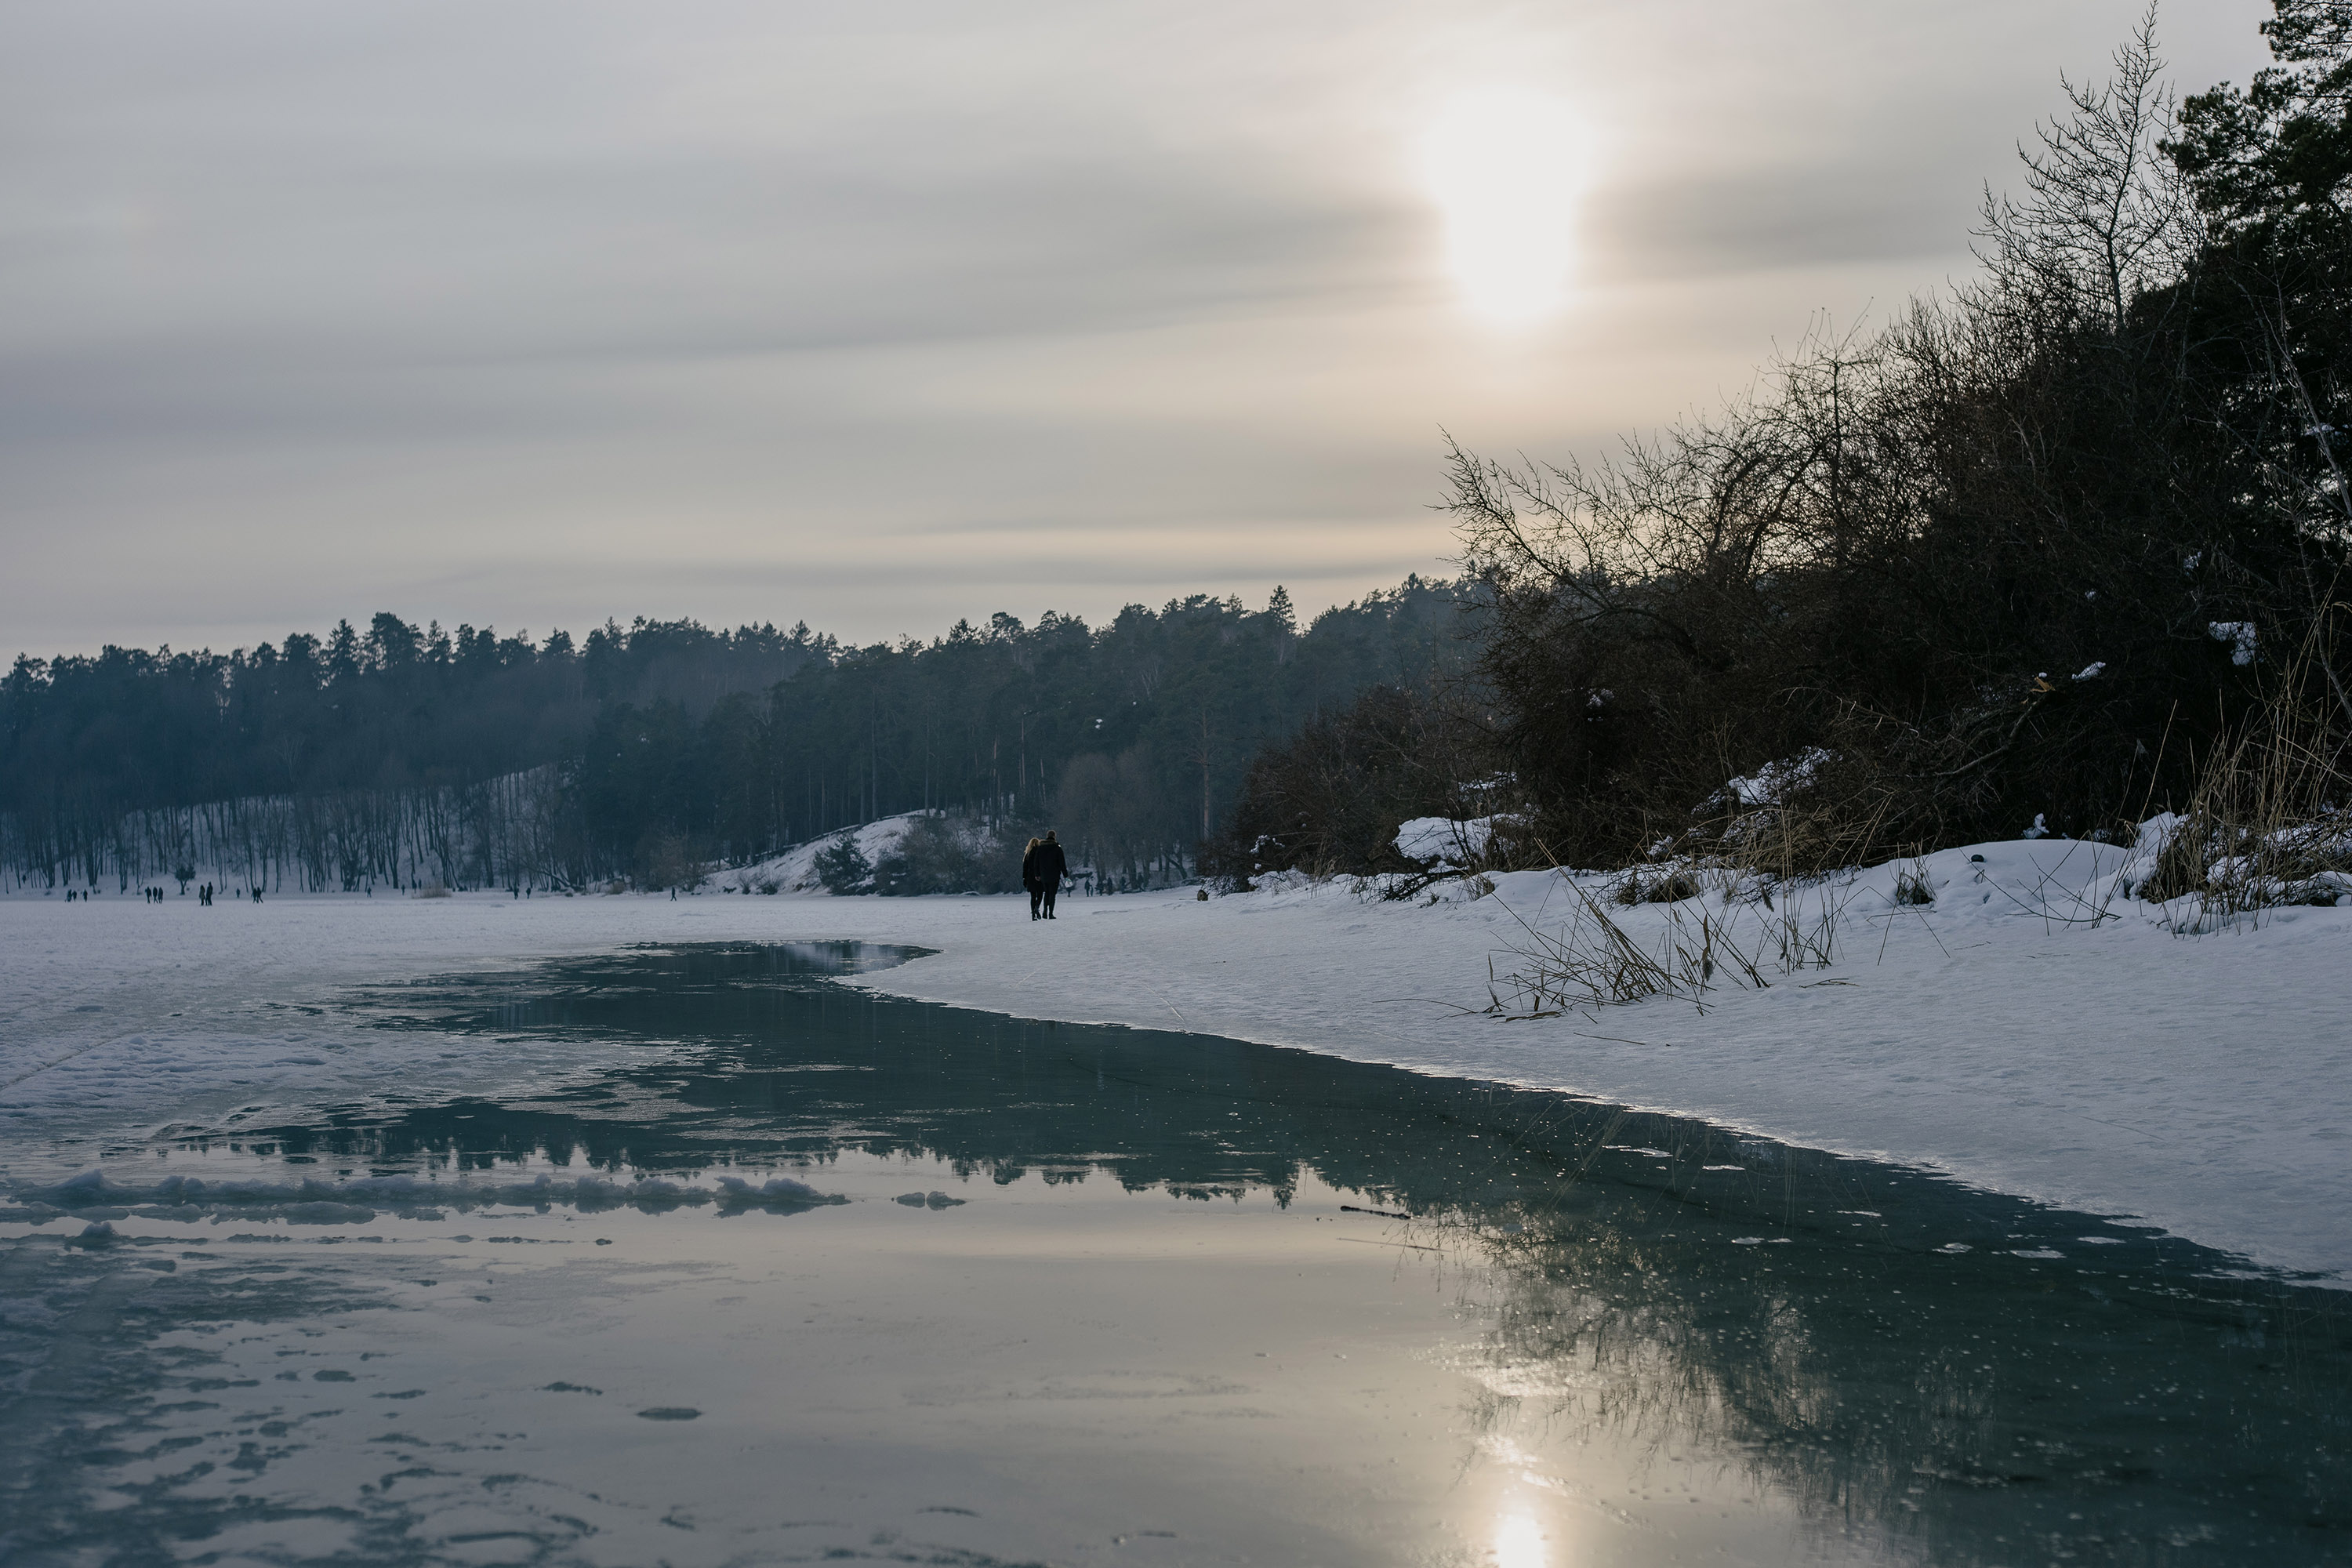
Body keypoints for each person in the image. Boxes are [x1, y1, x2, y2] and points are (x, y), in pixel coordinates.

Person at [1033, 829, 1067, 919]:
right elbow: (1062, 863)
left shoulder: (1040, 848)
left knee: (1047, 893)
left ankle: (1045, 911)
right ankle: (1050, 913)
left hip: (1044, 874)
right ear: (1054, 836)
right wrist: (1066, 875)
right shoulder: (1057, 848)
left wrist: (1037, 874)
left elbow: (1036, 862)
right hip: (1055, 874)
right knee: (1052, 894)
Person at [1020, 837, 1044, 920]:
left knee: (1033, 896)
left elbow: (1025, 868)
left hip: (1030, 877)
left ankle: (1033, 915)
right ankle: (1037, 907)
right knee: (1040, 894)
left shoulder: (1027, 854)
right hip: (1039, 876)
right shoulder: (1040, 853)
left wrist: (1024, 878)